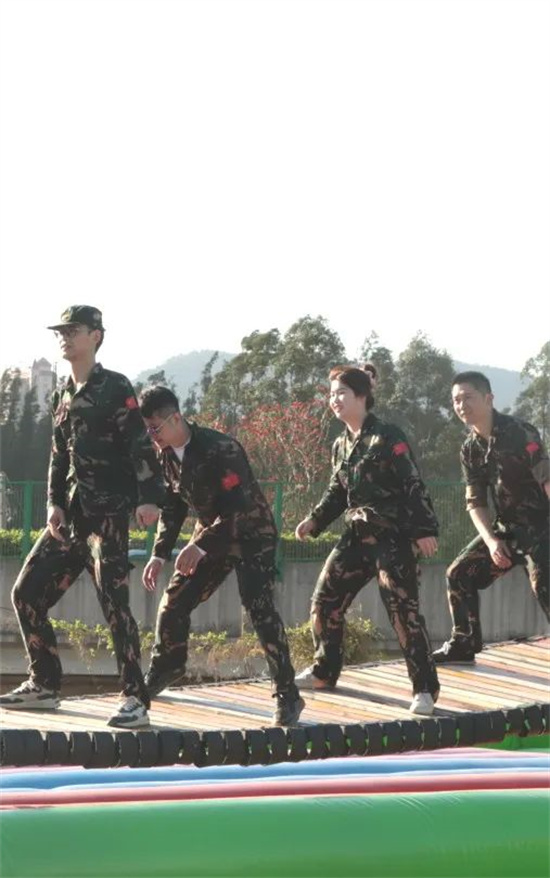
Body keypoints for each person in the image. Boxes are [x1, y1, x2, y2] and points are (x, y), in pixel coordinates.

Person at [0, 306, 164, 728]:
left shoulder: (115, 388)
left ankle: (135, 699)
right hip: (71, 518)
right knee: (26, 593)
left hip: (107, 516)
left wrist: (149, 498)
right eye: (61, 331)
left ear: (96, 336)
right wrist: (53, 503)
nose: (65, 337)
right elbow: (58, 455)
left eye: (73, 330)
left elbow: (139, 445)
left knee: (114, 606)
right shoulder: (62, 393)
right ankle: (44, 684)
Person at [138, 385, 305, 727]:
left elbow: (237, 509)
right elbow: (173, 507)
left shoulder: (220, 448)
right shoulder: (165, 454)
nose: (152, 437)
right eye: (147, 431)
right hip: (212, 533)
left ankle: (287, 694)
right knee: (174, 601)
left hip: (252, 533)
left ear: (176, 418)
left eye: (155, 428)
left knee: (259, 608)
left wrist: (199, 546)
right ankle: (167, 667)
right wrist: (159, 554)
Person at [295, 365, 440, 715]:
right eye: (331, 394)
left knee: (402, 612)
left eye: (341, 393)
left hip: (392, 537)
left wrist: (424, 528)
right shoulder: (341, 444)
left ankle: (424, 689)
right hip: (356, 536)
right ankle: (324, 671)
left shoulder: (388, 436)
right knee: (325, 600)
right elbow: (337, 491)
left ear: (362, 396)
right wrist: (315, 520)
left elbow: (412, 482)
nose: (334, 400)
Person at [433, 371, 550, 663]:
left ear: (488, 399)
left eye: (468, 398)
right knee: (458, 574)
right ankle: (464, 643)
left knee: (544, 585)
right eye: (456, 400)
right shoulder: (469, 449)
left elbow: (547, 479)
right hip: (506, 530)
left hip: (541, 528)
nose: (461, 405)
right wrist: (491, 540)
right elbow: (475, 502)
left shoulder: (520, 433)